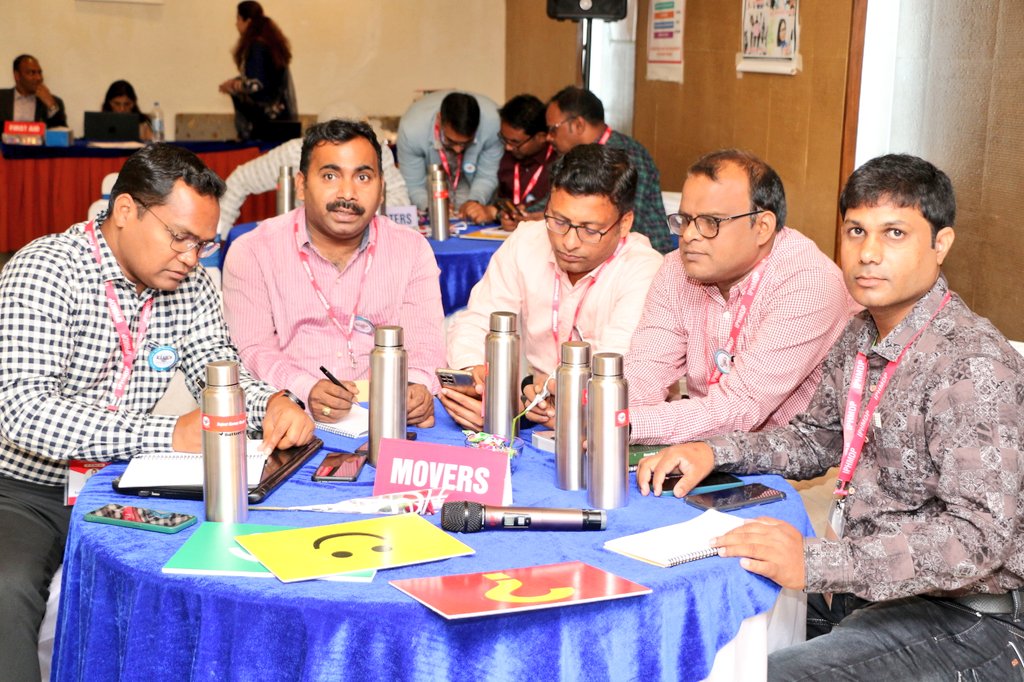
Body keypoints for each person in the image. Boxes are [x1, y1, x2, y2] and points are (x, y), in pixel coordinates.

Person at [637, 154, 1024, 680]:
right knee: (703, 637)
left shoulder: (971, 363)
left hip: (970, 616)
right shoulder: (861, 336)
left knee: (766, 675)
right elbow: (814, 440)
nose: (868, 253)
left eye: (894, 234)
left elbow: (979, 539)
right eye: (856, 231)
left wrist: (816, 562)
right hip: (865, 589)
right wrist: (713, 450)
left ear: (941, 244)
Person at [0, 143, 314, 681]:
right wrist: (165, 434)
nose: (193, 258)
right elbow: (22, 413)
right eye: (180, 237)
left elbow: (220, 370)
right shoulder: (45, 271)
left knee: (225, 571)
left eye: (204, 243)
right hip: (27, 490)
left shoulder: (187, 285)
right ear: (125, 211)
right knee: (6, 589)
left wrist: (273, 404)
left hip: (126, 481)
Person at [222, 119, 445, 426]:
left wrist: (417, 386)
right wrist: (304, 388)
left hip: (390, 416)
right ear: (301, 185)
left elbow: (426, 346)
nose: (347, 193)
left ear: (381, 189)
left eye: (363, 177)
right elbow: (251, 350)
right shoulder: (253, 251)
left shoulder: (412, 250)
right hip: (292, 416)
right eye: (330, 175)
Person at [625, 149, 854, 445]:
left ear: (762, 228)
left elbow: (740, 406)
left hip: (797, 466)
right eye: (684, 219)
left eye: (710, 222)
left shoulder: (808, 282)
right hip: (710, 447)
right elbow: (646, 368)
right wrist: (595, 410)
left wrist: (625, 424)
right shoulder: (676, 269)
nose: (689, 236)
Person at [441, 144, 663, 431]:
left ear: (624, 223)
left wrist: (556, 398)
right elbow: (478, 320)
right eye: (558, 221)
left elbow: (620, 369)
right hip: (535, 410)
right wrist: (474, 374)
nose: (569, 242)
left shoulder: (644, 269)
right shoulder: (525, 242)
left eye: (590, 229)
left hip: (606, 422)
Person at [217, 102, 410, 238]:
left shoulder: (376, 150)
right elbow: (240, 180)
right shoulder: (296, 151)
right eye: (329, 175)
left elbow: (399, 200)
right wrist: (218, 234)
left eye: (362, 176)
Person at [545, 86, 672, 254]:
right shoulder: (578, 157)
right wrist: (533, 213)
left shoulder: (626, 156)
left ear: (578, 125)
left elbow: (630, 225)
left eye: (553, 129)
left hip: (638, 254)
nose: (548, 137)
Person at [396, 90, 503, 215]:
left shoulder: (494, 124)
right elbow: (413, 184)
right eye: (451, 141)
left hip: (471, 183)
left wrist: (475, 201)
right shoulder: (411, 130)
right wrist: (431, 206)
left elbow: (487, 175)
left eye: (465, 143)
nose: (458, 150)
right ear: (439, 119)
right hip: (432, 184)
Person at [460, 94, 557, 230]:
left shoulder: (558, 163)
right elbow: (500, 200)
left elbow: (551, 205)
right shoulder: (507, 158)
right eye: (504, 139)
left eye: (515, 142)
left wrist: (495, 213)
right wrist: (499, 212)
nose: (507, 147)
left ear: (541, 137)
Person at [219, 1, 297, 141]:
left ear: (247, 21)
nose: (236, 24)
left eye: (238, 19)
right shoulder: (269, 44)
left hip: (265, 126)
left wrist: (233, 85)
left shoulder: (257, 47)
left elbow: (256, 85)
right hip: (280, 121)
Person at [0, 54, 66, 127]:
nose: (38, 78)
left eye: (39, 73)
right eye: (32, 73)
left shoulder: (54, 102)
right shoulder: (2, 98)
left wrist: (52, 106)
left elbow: (62, 134)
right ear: (17, 76)